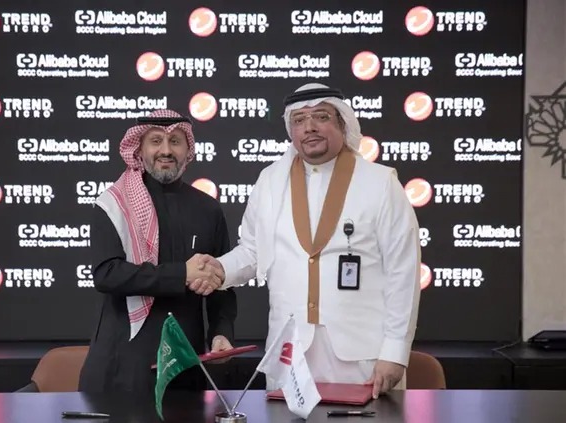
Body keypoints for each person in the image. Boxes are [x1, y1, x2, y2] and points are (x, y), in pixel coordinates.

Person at [206, 83, 421, 398]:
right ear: (290, 130)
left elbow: (403, 272)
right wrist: (216, 270)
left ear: (342, 124)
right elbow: (252, 251)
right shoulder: (270, 181)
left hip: (363, 356)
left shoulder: (380, 183)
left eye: (321, 117)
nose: (309, 127)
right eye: (299, 120)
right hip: (289, 354)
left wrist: (395, 351)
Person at [78, 109, 237, 393]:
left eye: (175, 141)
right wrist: (182, 274)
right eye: (155, 141)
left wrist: (221, 332)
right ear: (139, 149)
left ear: (188, 150)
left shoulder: (208, 209)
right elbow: (107, 274)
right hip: (123, 365)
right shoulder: (114, 205)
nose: (166, 151)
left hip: (185, 365)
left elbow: (221, 284)